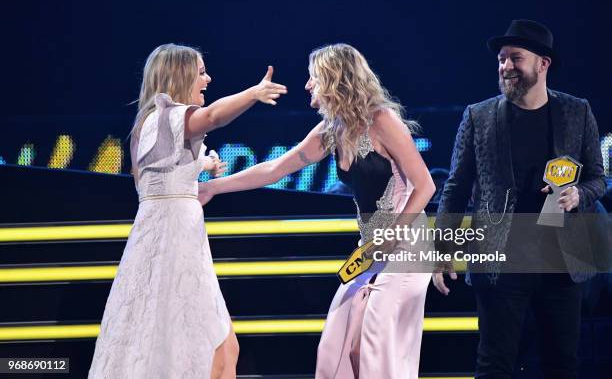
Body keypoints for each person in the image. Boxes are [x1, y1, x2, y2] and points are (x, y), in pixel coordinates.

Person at [198, 43, 436, 378]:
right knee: (337, 343)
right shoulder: (332, 131)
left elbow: (425, 185)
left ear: (335, 79)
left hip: (406, 245)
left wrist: (391, 236)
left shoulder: (381, 120)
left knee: (375, 343)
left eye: (313, 78)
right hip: (370, 250)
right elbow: (275, 169)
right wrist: (213, 187)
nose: (308, 86)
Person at [88, 43, 287, 379]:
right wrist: (253, 93)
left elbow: (166, 174)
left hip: (176, 242)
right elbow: (212, 117)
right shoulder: (167, 116)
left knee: (216, 347)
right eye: (200, 72)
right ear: (179, 76)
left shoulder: (155, 123)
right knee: (205, 349)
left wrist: (204, 165)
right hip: (172, 249)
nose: (208, 79)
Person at [433, 20, 606, 378]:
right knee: (494, 364)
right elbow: (456, 188)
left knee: (562, 364)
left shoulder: (577, 111)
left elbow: (598, 178)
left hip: (561, 261)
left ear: (544, 64)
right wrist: (442, 252)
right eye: (501, 60)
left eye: (515, 58)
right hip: (500, 261)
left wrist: (578, 194)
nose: (506, 67)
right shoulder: (478, 117)